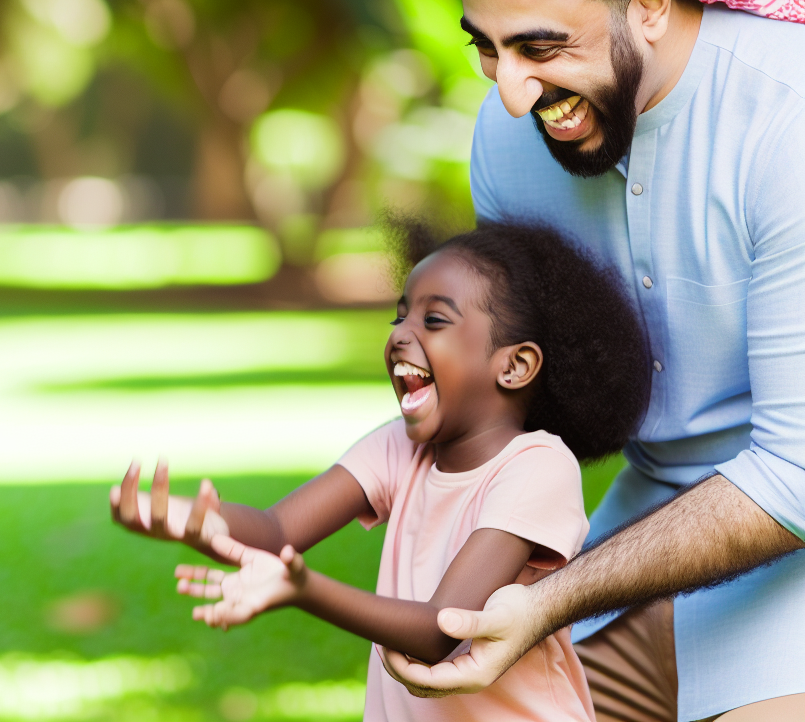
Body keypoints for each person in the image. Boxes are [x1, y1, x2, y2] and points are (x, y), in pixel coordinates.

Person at [379, 0, 805, 722]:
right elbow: (526, 400)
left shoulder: (786, 119)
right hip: (639, 537)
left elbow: (796, 476)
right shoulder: (509, 138)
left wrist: (547, 603)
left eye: (541, 46)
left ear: (649, 1)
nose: (511, 94)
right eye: (489, 49)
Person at [111, 220, 650, 721]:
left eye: (433, 320)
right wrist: (190, 519)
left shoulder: (538, 468)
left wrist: (305, 590)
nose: (399, 334)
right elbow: (276, 532)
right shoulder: (401, 448)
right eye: (401, 315)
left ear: (514, 365)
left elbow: (443, 628)